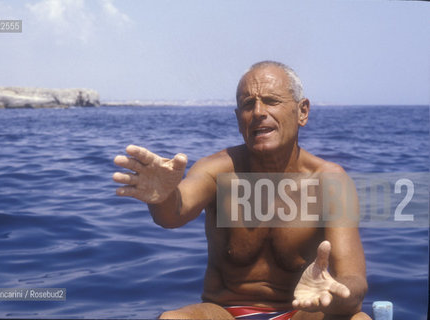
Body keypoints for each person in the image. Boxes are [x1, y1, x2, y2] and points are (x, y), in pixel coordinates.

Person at [112, 61, 370, 319]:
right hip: (227, 312)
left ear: (302, 111)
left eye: (271, 101)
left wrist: (337, 291)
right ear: (238, 120)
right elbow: (173, 213)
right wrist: (162, 197)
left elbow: (353, 278)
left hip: (301, 313)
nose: (258, 112)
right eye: (248, 104)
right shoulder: (218, 171)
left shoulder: (329, 181)